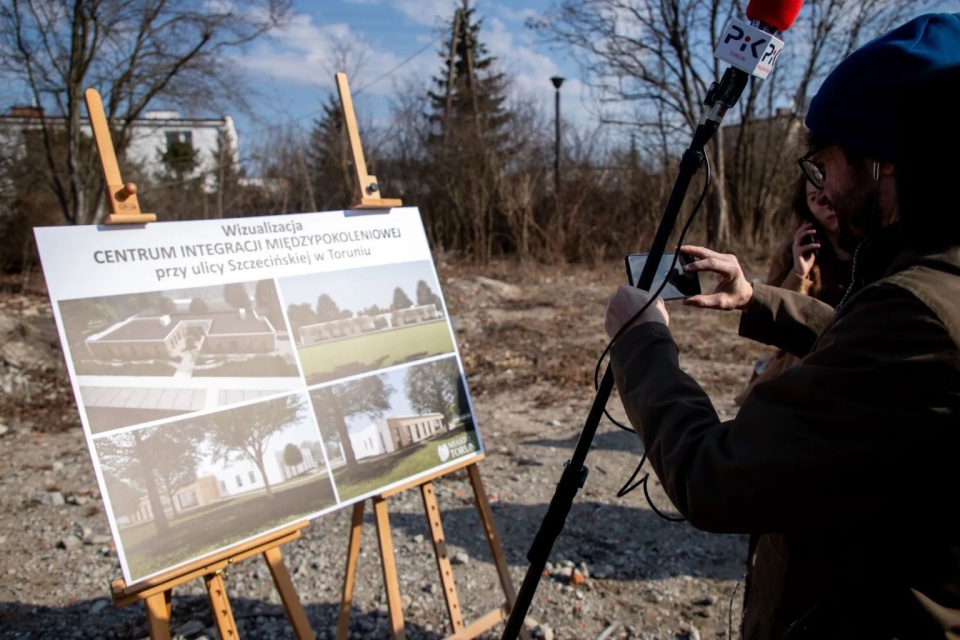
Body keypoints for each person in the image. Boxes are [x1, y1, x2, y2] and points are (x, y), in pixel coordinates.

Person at [603, 13, 960, 640]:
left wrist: (641, 342)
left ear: (887, 163)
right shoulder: (932, 286)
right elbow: (875, 364)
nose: (819, 186)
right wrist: (760, 300)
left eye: (824, 166)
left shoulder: (916, 315)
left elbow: (714, 475)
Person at [733, 176, 852, 405]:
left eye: (830, 191)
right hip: (800, 361)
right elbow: (770, 319)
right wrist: (799, 272)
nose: (825, 202)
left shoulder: (872, 246)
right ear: (806, 205)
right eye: (813, 197)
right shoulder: (790, 253)